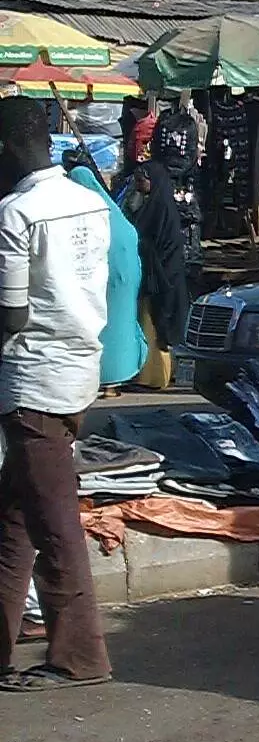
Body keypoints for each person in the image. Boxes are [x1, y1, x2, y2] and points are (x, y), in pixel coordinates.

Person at [0, 97, 115, 690]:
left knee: (52, 525)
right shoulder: (89, 200)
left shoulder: (16, 213)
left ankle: (80, 658)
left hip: (33, 380)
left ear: (8, 148)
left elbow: (11, 313)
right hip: (75, 373)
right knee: (17, 516)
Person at [64, 155, 144, 394]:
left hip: (103, 280)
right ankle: (117, 379)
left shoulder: (86, 214)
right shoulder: (111, 211)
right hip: (127, 279)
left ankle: (101, 377)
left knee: (103, 328)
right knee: (123, 324)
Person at [126, 160, 190, 390]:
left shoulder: (161, 208)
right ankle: (147, 375)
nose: (137, 184)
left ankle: (156, 378)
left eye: (141, 180)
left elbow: (158, 244)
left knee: (157, 327)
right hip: (156, 275)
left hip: (164, 277)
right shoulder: (150, 205)